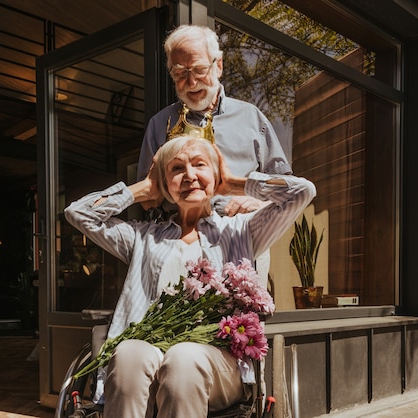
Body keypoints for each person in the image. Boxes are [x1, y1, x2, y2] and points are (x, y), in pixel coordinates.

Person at [65, 135, 315, 417]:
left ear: (215, 173)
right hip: (149, 350)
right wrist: (142, 189)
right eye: (176, 169)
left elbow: (302, 193)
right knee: (127, 353)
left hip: (217, 363)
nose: (190, 176)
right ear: (164, 182)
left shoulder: (241, 230)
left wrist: (233, 184)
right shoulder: (142, 237)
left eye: (199, 165)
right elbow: (78, 213)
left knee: (183, 356)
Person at [137, 24, 293, 280]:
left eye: (199, 69)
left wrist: (260, 202)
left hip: (243, 233)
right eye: (180, 73)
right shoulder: (159, 123)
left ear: (218, 65)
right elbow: (147, 199)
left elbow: (286, 187)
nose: (191, 82)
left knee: (245, 319)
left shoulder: (251, 117)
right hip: (182, 240)